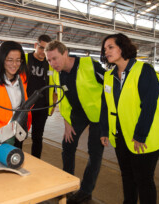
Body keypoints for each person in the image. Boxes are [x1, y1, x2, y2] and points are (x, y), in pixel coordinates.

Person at [100, 33, 159, 204]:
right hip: (121, 135)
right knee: (127, 176)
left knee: (143, 179)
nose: (106, 51)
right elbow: (105, 106)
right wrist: (104, 130)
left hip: (145, 137)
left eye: (110, 47)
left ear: (122, 47)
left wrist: (140, 135)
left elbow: (150, 105)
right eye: (104, 49)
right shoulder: (109, 76)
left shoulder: (143, 70)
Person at [45, 40, 105, 204]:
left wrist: (109, 120)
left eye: (55, 58)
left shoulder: (89, 65)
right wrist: (67, 122)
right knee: (68, 144)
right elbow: (63, 100)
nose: (53, 63)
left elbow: (109, 85)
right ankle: (67, 184)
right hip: (77, 114)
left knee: (95, 152)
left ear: (65, 53)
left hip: (98, 115)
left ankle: (86, 190)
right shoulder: (57, 73)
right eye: (49, 60)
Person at [25, 34, 57, 158]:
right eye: (41, 48)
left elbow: (55, 87)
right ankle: (15, 160)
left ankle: (36, 161)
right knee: (19, 135)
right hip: (24, 106)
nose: (43, 52)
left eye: (46, 49)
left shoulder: (50, 64)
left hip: (42, 108)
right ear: (35, 45)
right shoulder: (25, 59)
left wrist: (53, 104)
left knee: (37, 137)